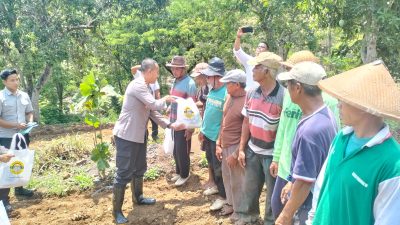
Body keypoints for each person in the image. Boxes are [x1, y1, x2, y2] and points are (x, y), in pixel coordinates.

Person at [309, 60, 400, 225]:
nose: (339, 105)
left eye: (345, 99)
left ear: (366, 107)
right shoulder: (341, 138)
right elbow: (323, 185)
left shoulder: (393, 164)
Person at [112, 59, 184, 224]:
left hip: (138, 134)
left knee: (139, 168)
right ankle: (116, 212)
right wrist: (166, 98)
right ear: (150, 71)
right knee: (123, 172)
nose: (157, 76)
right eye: (157, 72)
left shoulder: (145, 87)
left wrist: (170, 125)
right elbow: (154, 104)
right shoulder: (138, 85)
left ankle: (138, 197)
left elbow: (152, 112)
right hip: (127, 135)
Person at [270, 51, 340, 220]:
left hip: (309, 201)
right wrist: (291, 180)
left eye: (288, 84)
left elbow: (305, 182)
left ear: (298, 88)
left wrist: (285, 216)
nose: (287, 89)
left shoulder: (311, 130)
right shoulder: (323, 113)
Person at [236, 52, 284, 225]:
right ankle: (248, 216)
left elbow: (284, 131)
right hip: (253, 149)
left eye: (256, 67)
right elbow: (246, 121)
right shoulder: (251, 93)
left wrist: (278, 158)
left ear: (267, 71)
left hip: (271, 153)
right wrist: (242, 148)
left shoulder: (283, 96)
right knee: (249, 187)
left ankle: (271, 221)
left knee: (272, 192)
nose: (253, 70)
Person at [0, 69, 35, 216]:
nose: (16, 82)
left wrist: (30, 122)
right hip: (6, 137)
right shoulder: (1, 97)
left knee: (21, 162)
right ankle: (4, 200)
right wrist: (15, 125)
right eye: (12, 80)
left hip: (22, 135)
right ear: (4, 82)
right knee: (5, 167)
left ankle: (19, 189)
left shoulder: (24, 95)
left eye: (17, 79)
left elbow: (29, 111)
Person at [215, 69, 247, 219]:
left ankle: (239, 210)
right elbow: (223, 120)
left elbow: (247, 131)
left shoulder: (247, 101)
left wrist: (236, 154)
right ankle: (230, 204)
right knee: (227, 177)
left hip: (236, 146)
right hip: (225, 144)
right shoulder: (229, 96)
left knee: (238, 181)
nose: (226, 86)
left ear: (237, 85)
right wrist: (218, 143)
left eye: (228, 83)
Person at [198, 57, 228, 211]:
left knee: (219, 168)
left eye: (209, 76)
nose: (207, 79)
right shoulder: (212, 90)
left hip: (217, 138)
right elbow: (208, 112)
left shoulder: (226, 92)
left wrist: (220, 141)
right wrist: (202, 130)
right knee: (211, 162)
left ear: (218, 76)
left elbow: (225, 119)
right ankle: (217, 187)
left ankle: (224, 197)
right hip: (208, 135)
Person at [167, 56, 197, 187]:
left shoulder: (190, 84)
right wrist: (169, 107)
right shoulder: (175, 81)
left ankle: (185, 174)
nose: (174, 70)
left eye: (177, 68)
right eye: (172, 68)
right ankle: (179, 172)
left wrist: (190, 128)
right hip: (174, 121)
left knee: (183, 150)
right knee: (176, 149)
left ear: (183, 69)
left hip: (184, 123)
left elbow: (192, 106)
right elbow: (175, 98)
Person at [233, 26, 269, 91]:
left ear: (267, 51)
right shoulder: (250, 60)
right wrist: (238, 37)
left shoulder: (270, 64)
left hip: (263, 97)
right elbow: (237, 51)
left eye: (262, 47)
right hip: (248, 96)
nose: (259, 48)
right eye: (258, 46)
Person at [131, 65, 160, 140]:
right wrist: (144, 65)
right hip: (143, 105)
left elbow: (157, 91)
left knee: (155, 120)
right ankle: (145, 137)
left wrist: (158, 102)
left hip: (152, 103)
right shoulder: (139, 76)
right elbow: (132, 69)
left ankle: (155, 135)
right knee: (144, 121)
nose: (157, 75)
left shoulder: (154, 80)